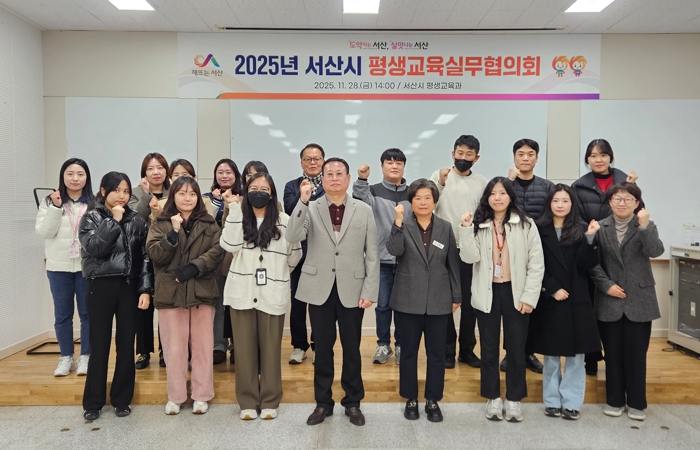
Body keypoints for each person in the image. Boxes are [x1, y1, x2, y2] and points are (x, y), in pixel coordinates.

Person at [286, 157, 379, 427]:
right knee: (323, 350)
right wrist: (302, 201)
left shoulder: (364, 210)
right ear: (322, 179)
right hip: (319, 289)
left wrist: (370, 289)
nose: (335, 178)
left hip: (353, 289)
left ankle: (353, 402)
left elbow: (372, 255)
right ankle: (323, 403)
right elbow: (292, 236)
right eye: (330, 174)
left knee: (352, 349)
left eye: (340, 174)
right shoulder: (311, 207)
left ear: (348, 178)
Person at [459, 176, 544, 423]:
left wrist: (529, 296)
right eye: (493, 194)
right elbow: (469, 257)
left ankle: (514, 399)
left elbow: (536, 263)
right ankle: (493, 397)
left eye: (502, 193)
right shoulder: (479, 224)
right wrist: (465, 229)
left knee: (516, 348)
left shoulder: (526, 224)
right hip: (487, 291)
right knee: (488, 348)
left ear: (510, 197)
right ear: (487, 197)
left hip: (516, 292)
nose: (497, 198)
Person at [220, 173, 301, 420]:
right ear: (246, 192)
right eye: (253, 188)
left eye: (264, 189)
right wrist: (234, 209)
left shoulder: (284, 221)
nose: (258, 192)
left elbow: (295, 255)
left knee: (271, 351)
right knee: (244, 352)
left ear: (272, 193)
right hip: (241, 293)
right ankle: (247, 401)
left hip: (272, 293)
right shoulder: (238, 217)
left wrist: (278, 275)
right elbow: (229, 246)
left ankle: (270, 401)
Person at [147, 177, 224, 416]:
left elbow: (218, 250)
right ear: (173, 196)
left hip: (202, 291)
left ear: (198, 197)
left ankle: (202, 395)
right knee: (174, 349)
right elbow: (155, 254)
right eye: (181, 193)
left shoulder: (209, 223)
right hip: (171, 293)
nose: (187, 198)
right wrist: (173, 233)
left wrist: (194, 267)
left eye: (192, 194)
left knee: (202, 347)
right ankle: (176, 396)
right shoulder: (161, 222)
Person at [386, 179, 460, 423]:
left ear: (435, 201)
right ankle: (410, 398)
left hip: (439, 298)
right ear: (411, 202)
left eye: (428, 197)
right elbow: (394, 250)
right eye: (417, 198)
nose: (423, 202)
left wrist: (456, 295)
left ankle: (432, 399)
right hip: (407, 299)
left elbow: (452, 263)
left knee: (436, 353)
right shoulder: (403, 225)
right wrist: (397, 223)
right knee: (408, 352)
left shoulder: (445, 227)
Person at [79, 172, 152, 421]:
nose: (122, 196)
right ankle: (93, 402)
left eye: (126, 191)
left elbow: (144, 258)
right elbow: (95, 248)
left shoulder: (137, 220)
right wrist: (113, 220)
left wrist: (145, 289)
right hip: (99, 286)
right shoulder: (91, 217)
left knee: (126, 344)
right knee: (99, 345)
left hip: (128, 286)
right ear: (103, 191)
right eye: (116, 190)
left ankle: (122, 400)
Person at [589, 182, 663, 422]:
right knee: (612, 353)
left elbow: (655, 251)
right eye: (617, 199)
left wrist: (645, 226)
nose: (622, 203)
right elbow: (592, 263)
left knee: (636, 354)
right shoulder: (600, 227)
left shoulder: (645, 225)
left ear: (637, 203)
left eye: (628, 199)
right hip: (609, 299)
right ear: (610, 202)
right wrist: (606, 285)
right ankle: (614, 400)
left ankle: (637, 403)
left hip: (639, 299)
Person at [531, 184, 601, 420]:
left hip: (577, 299)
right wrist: (551, 288)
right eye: (556, 201)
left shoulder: (582, 229)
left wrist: (590, 238)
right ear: (549, 203)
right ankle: (551, 401)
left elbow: (587, 264)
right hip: (550, 299)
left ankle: (571, 402)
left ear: (572, 204)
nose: (560, 205)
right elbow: (533, 263)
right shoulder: (538, 229)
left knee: (576, 356)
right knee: (551, 356)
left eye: (565, 201)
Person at [571, 139, 639, 375]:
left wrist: (631, 188)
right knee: (590, 309)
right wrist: (592, 233)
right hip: (590, 250)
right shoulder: (578, 186)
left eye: (602, 155)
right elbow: (575, 219)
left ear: (610, 157)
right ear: (587, 160)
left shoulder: (626, 182)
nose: (598, 159)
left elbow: (636, 213)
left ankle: (616, 360)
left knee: (616, 307)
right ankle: (591, 359)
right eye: (592, 155)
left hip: (620, 254)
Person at [429, 134, 487, 369]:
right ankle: (447, 351)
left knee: (470, 304)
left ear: (476, 158)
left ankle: (467, 350)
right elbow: (428, 205)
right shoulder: (439, 176)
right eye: (460, 153)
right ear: (453, 154)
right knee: (445, 303)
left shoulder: (482, 183)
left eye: (469, 154)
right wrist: (441, 183)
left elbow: (485, 215)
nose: (463, 157)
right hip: (442, 248)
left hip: (469, 248)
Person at [35, 158, 95, 377]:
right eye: (70, 173)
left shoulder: (94, 203)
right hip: (58, 267)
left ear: (87, 177)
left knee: (88, 314)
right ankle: (66, 357)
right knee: (62, 315)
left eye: (80, 174)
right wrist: (56, 208)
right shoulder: (50, 201)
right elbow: (44, 232)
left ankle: (86, 356)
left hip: (86, 267)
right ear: (63, 176)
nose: (75, 178)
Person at [353, 148, 410, 365]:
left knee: (404, 307)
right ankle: (383, 345)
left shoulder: (412, 192)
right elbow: (359, 200)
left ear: (404, 166)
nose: (394, 166)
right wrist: (362, 179)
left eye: (398, 163)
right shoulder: (373, 191)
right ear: (382, 166)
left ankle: (402, 345)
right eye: (389, 162)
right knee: (383, 306)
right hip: (382, 260)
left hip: (406, 260)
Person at [502, 138, 553, 374]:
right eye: (520, 154)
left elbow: (551, 216)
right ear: (514, 157)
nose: (525, 158)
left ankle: (529, 352)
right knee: (509, 305)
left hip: (538, 249)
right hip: (507, 252)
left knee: (533, 305)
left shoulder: (547, 187)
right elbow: (497, 210)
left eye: (530, 154)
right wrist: (509, 183)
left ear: (536, 158)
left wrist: (530, 230)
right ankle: (510, 353)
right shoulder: (505, 185)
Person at [283, 143, 326, 364]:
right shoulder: (292, 186)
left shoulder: (330, 185)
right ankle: (299, 346)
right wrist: (303, 196)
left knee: (319, 303)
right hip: (299, 252)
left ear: (323, 162)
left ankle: (319, 344)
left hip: (322, 252)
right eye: (308, 159)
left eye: (317, 158)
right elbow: (290, 212)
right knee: (298, 302)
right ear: (301, 163)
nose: (312, 162)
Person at [129, 152, 169, 370]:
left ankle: (166, 350)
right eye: (151, 168)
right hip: (141, 257)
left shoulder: (174, 192)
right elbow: (135, 219)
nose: (156, 172)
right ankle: (143, 352)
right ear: (144, 172)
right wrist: (145, 195)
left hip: (167, 255)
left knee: (165, 306)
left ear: (166, 171)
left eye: (160, 167)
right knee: (143, 306)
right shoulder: (134, 193)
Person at [203, 158, 243, 365]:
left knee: (237, 302)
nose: (224, 176)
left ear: (236, 175)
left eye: (229, 172)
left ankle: (237, 345)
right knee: (216, 302)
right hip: (214, 257)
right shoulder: (205, 198)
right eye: (220, 172)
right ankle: (218, 345)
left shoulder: (244, 198)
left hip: (237, 257)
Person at [149, 158, 215, 222]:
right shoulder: (161, 203)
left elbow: (210, 224)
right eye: (176, 175)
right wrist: (155, 211)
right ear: (171, 178)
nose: (180, 177)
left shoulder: (204, 201)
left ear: (193, 178)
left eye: (185, 174)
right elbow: (156, 226)